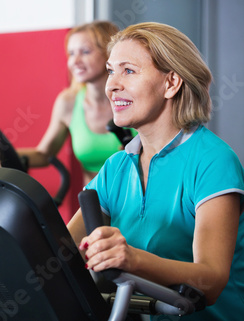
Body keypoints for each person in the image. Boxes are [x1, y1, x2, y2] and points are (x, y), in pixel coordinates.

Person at [67, 22, 244, 320]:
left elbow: (210, 281)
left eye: (128, 71)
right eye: (111, 71)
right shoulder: (117, 167)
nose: (112, 85)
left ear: (171, 83)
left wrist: (131, 258)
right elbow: (62, 251)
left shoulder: (213, 161)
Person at [18, 21, 130, 186]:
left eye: (85, 52)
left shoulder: (134, 98)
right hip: (96, 204)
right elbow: (43, 155)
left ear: (109, 54)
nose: (75, 61)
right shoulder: (68, 102)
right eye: (71, 53)